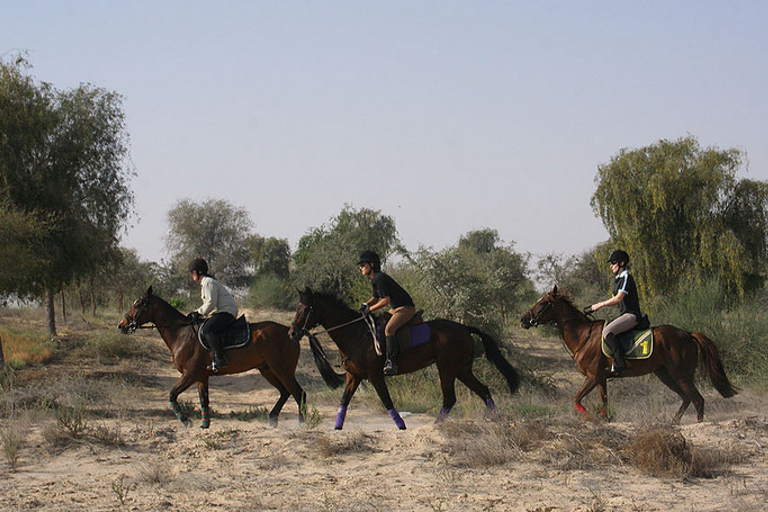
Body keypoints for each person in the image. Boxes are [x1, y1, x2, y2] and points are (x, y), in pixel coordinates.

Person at [357, 250, 416, 376]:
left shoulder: (380, 278)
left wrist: (370, 310)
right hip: (396, 308)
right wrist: (366, 305)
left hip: (405, 308)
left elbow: (386, 300)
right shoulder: (374, 279)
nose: (360, 268)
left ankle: (392, 362)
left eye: (363, 265)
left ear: (371, 265)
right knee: (381, 324)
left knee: (389, 329)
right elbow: (375, 298)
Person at [589, 249, 643, 376]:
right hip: (624, 315)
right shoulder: (617, 279)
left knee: (607, 331)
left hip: (631, 315)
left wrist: (600, 304)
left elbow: (618, 298)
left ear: (622, 263)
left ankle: (620, 362)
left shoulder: (626, 277)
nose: (611, 265)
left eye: (613, 263)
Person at [188, 258, 239, 373]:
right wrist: (197, 312)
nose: (191, 275)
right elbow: (208, 305)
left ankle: (220, 359)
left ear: (199, 272)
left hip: (226, 312)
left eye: (192, 272)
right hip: (221, 312)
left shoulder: (208, 282)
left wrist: (198, 312)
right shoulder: (205, 283)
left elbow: (211, 302)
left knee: (207, 330)